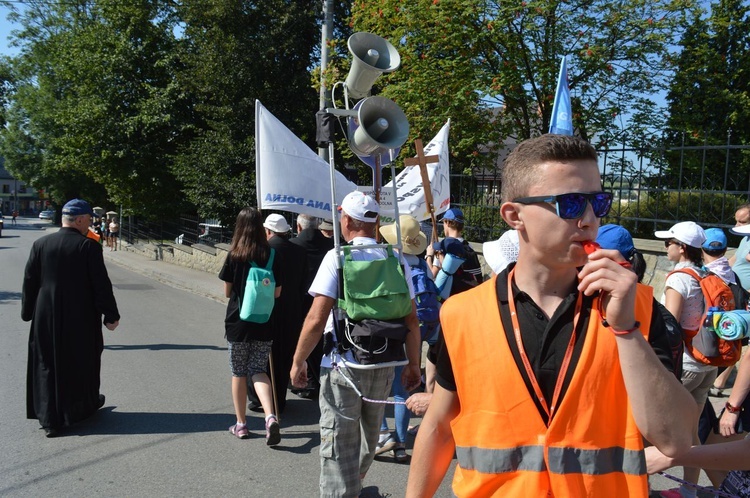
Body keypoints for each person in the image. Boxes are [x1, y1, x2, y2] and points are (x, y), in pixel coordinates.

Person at [406, 134, 695, 497]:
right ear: (515, 216)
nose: (590, 220)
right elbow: (439, 426)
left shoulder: (636, 306)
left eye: (597, 202)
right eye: (571, 204)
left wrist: (626, 331)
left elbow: (677, 439)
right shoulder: (463, 312)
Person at [290, 191, 422, 497]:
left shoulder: (337, 257)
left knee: (338, 442)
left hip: (343, 365)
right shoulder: (396, 258)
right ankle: (355, 484)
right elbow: (411, 320)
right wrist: (413, 365)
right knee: (368, 435)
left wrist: (298, 361)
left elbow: (315, 318)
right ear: (375, 223)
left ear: (347, 220)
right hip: (386, 362)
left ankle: (343, 491)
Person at [22, 198, 120, 438]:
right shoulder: (88, 247)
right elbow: (100, 285)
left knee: (46, 362)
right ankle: (79, 408)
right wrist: (111, 315)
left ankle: (49, 419)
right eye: (88, 220)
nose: (90, 225)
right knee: (81, 361)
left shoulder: (41, 244)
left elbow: (30, 281)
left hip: (45, 314)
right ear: (78, 219)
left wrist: (27, 312)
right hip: (80, 314)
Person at [654, 222, 717, 498]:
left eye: (669, 242)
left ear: (681, 247)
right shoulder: (708, 273)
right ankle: (689, 492)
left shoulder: (679, 278)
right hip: (707, 364)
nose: (666, 246)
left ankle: (634, 486)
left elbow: (669, 326)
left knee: (649, 426)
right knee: (693, 432)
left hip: (686, 366)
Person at [219, 207, 283, 445]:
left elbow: (228, 292)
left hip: (238, 322)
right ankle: (270, 416)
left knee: (238, 371)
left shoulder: (234, 255)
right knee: (259, 368)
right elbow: (277, 293)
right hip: (264, 320)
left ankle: (241, 424)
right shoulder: (272, 254)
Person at [376, 215, 435, 462]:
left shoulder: (390, 262)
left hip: (391, 329)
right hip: (416, 331)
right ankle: (400, 444)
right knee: (403, 390)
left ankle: (382, 435)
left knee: (377, 388)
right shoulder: (421, 265)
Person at [246, 213, 307, 414]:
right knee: (283, 356)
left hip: (268, 310)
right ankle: (279, 399)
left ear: (268, 231)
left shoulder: (266, 251)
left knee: (261, 356)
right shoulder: (299, 251)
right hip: (293, 311)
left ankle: (259, 399)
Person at [290, 214, 335, 397]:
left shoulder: (293, 244)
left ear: (299, 227)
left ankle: (303, 380)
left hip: (299, 300)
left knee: (302, 341)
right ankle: (317, 381)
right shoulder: (329, 246)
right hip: (324, 297)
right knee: (319, 344)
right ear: (317, 226)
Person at [424, 207, 483, 292]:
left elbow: (431, 275)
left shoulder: (444, 247)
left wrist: (428, 256)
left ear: (447, 222)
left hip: (451, 295)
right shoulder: (468, 246)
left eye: (444, 222)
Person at [730, 204, 750, 291]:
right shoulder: (745, 239)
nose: (737, 225)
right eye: (737, 221)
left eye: (742, 222)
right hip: (738, 292)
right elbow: (733, 260)